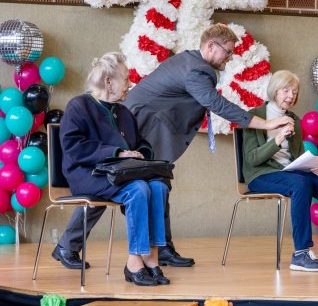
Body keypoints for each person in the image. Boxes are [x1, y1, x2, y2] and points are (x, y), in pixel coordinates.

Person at [53, 24, 293, 269]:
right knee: (118, 181)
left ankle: (160, 247)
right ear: (211, 46)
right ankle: (73, 245)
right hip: (142, 123)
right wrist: (265, 123)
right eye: (228, 52)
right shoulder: (197, 70)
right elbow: (216, 104)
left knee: (156, 183)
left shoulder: (191, 61)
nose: (230, 57)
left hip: (146, 122)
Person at [56, 52, 169, 286]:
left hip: (121, 173)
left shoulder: (124, 112)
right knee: (138, 189)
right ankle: (134, 262)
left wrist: (141, 154)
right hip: (87, 173)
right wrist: (117, 153)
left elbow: (140, 142)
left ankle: (152, 258)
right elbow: (74, 146)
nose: (130, 83)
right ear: (109, 82)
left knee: (158, 187)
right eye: (126, 79)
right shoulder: (79, 106)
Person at [242, 70, 318, 272]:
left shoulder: (294, 119)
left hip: (288, 173)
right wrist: (278, 139)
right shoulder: (254, 117)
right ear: (274, 90)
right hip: (260, 175)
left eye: (295, 92)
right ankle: (301, 253)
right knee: (301, 184)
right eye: (286, 90)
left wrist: (312, 166)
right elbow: (252, 159)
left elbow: (296, 158)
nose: (291, 96)